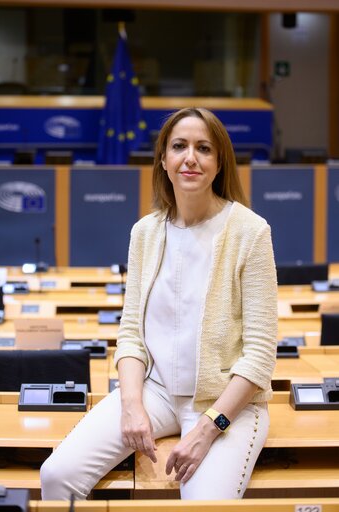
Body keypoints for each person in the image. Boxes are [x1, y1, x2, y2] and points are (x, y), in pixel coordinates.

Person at [40, 107, 278, 500]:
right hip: (156, 393)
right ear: (163, 161)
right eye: (179, 146)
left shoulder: (251, 232)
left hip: (226, 405)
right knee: (56, 475)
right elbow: (131, 334)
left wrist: (207, 428)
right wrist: (132, 406)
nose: (190, 157)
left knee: (203, 506)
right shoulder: (145, 232)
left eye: (204, 148)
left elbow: (259, 355)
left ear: (219, 163)